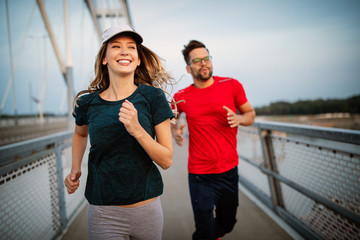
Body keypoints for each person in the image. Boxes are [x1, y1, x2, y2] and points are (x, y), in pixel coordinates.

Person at [63, 24, 174, 240]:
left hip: (147, 210)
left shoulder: (153, 98)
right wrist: (75, 168)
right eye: (116, 46)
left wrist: (137, 130)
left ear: (138, 58)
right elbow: (80, 134)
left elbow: (167, 160)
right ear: (105, 58)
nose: (124, 51)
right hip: (103, 212)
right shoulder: (88, 103)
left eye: (131, 47)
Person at [171, 40, 256, 240]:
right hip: (200, 175)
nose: (204, 63)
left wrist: (239, 118)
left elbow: (250, 114)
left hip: (229, 171)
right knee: (204, 229)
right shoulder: (181, 96)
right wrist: (175, 130)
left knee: (227, 223)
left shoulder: (231, 85)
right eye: (197, 60)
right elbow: (170, 120)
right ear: (188, 67)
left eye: (207, 58)